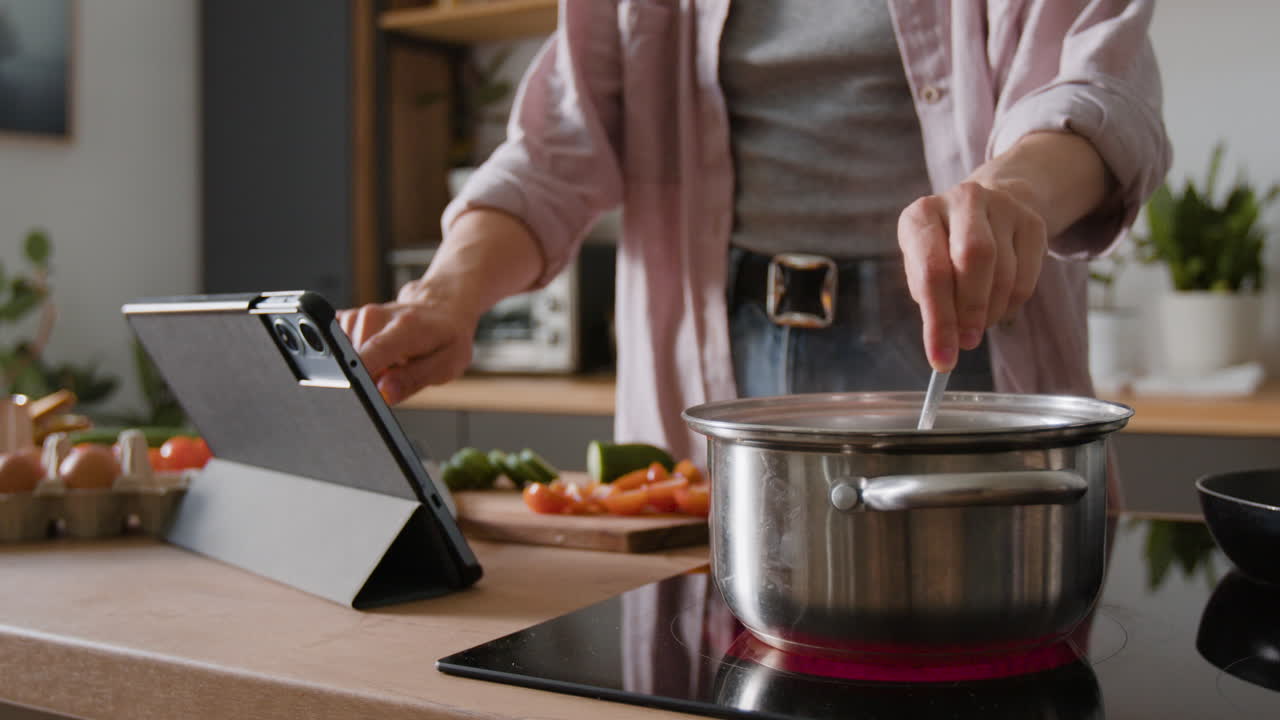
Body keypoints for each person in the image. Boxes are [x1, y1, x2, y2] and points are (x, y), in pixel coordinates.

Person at [340, 0, 1171, 469]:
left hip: (964, 358)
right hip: (717, 369)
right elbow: (552, 155)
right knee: (714, 654)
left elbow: (1097, 91)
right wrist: (448, 293)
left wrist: (1008, 195)